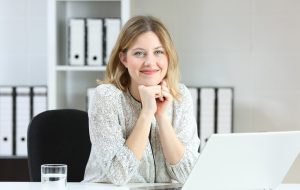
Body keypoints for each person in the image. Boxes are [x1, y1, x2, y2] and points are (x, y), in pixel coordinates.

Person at [83, 15, 200, 185]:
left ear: (168, 56)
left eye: (158, 52)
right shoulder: (106, 97)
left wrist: (161, 116)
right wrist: (146, 113)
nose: (150, 62)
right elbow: (118, 174)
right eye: (139, 53)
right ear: (124, 59)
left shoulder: (180, 95)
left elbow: (190, 175)